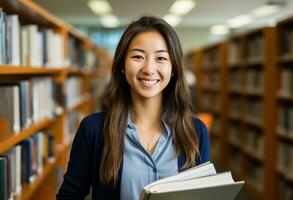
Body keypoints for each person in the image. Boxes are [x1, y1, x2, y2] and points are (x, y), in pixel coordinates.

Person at [56, 16, 210, 200]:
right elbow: (69, 196)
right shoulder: (93, 129)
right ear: (122, 64)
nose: (149, 68)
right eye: (138, 56)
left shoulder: (196, 131)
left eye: (161, 58)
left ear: (174, 67)